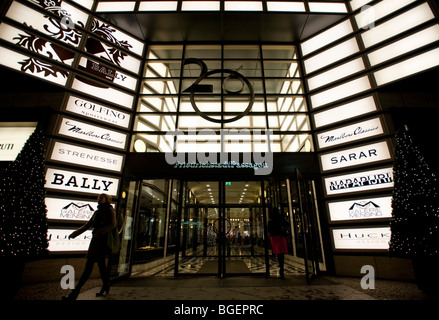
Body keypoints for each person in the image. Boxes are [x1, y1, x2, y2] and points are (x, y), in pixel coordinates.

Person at [62, 193, 117, 300]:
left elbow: (112, 224)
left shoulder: (110, 210)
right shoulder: (97, 212)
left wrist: (99, 232)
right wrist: (75, 233)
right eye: (99, 197)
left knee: (88, 269)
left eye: (102, 198)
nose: (99, 199)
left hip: (102, 242)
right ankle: (106, 285)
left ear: (107, 200)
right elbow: (88, 225)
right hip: (96, 242)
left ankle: (74, 294)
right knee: (101, 268)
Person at [268, 208, 288, 278]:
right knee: (281, 253)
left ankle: (280, 266)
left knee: (278, 252)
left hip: (274, 237)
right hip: (280, 236)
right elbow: (285, 224)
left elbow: (269, 229)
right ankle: (281, 267)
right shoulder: (280, 218)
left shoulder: (270, 220)